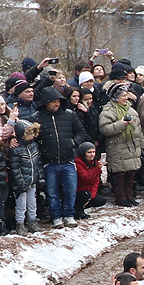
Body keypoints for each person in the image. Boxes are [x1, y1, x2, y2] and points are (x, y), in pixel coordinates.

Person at [34, 88, 83, 227]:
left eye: (58, 101)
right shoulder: (37, 117)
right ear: (46, 103)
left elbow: (81, 131)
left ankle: (69, 214)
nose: (56, 104)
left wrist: (74, 143)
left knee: (70, 190)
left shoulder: (69, 115)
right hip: (49, 162)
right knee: (52, 192)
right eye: (53, 102)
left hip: (68, 159)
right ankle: (56, 216)